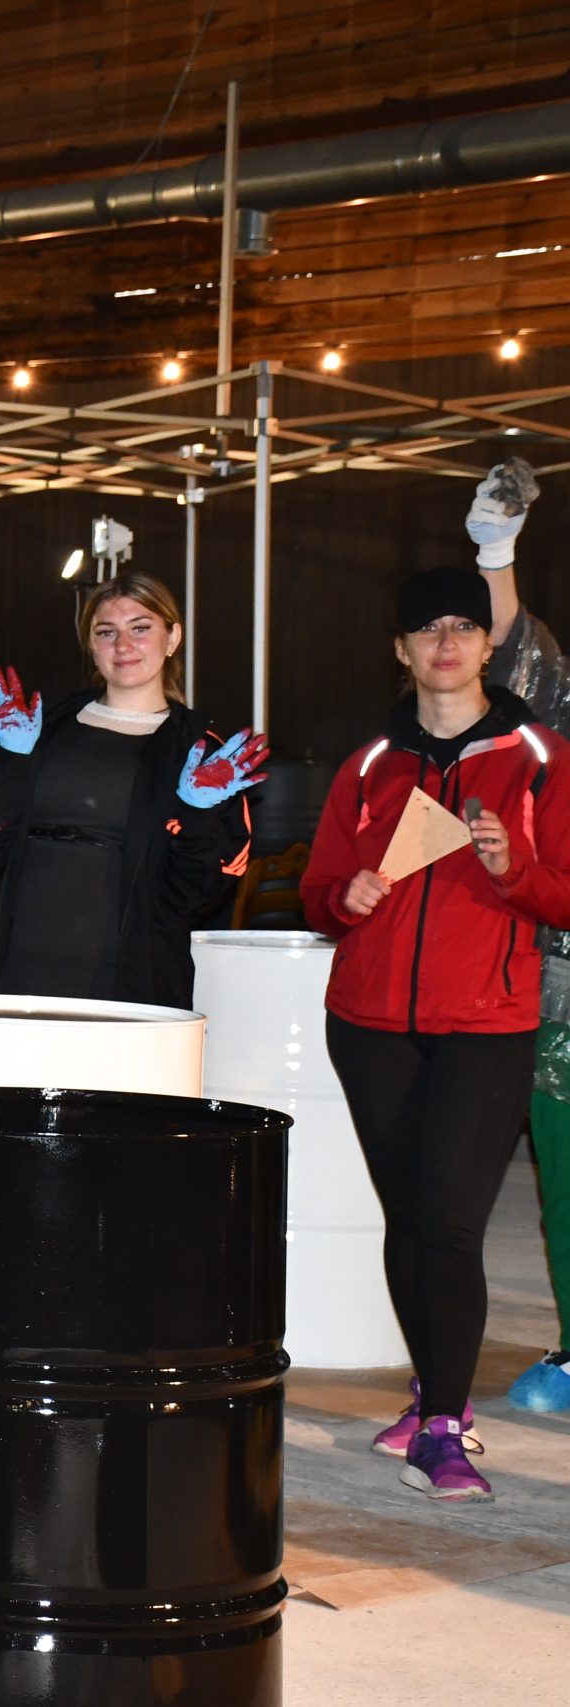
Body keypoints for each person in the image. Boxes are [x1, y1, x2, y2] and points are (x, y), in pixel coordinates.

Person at [302, 566, 570, 1504]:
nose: (446, 643)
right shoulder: (369, 764)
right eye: (427, 629)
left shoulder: (541, 757)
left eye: (463, 626)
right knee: (410, 1219)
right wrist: (346, 896)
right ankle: (429, 1391)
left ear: (489, 645)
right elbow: (318, 891)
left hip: (486, 1025)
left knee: (451, 1224)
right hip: (368, 1023)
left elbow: (566, 893)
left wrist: (515, 868)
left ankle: (446, 1427)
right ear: (402, 648)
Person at [0, 571, 263, 1007]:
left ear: (173, 638)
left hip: (129, 985)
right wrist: (11, 761)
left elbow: (197, 894)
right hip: (16, 973)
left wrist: (197, 812)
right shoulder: (35, 728)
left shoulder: (203, 757)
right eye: (106, 632)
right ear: (90, 644)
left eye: (140, 628)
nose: (123, 645)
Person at [463, 463, 570, 1413]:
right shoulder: (562, 717)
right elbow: (517, 662)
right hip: (562, 991)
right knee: (567, 1178)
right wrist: (496, 550)